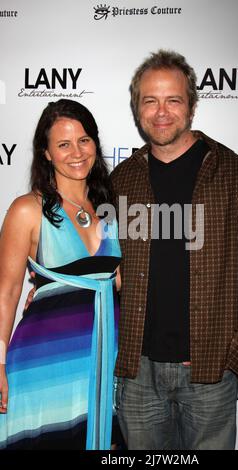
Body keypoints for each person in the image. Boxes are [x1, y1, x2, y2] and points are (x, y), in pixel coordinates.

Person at [111, 50, 238, 450]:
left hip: (209, 377)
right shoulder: (120, 180)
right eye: (150, 100)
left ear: (192, 105)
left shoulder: (236, 176)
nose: (161, 112)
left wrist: (232, 359)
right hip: (137, 376)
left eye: (173, 100)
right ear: (137, 108)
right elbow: (97, 263)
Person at [0, 99, 121, 450]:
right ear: (47, 153)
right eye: (63, 144)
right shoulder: (27, 209)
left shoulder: (112, 208)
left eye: (84, 140)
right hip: (44, 362)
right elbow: (6, 292)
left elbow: (123, 283)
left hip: (105, 358)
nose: (77, 152)